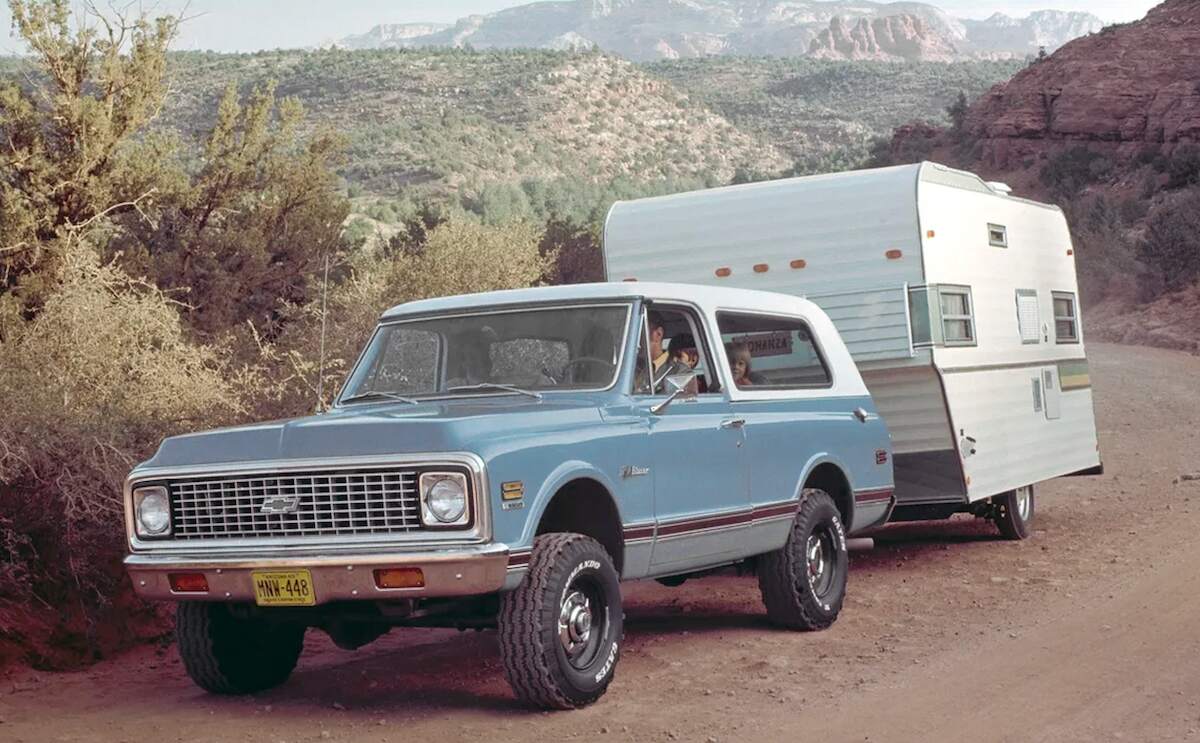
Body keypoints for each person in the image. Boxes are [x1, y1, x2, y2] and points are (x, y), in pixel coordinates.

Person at [635, 311, 691, 393]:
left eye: (638, 334)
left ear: (658, 334)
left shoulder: (680, 373)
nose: (631, 341)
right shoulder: (628, 369)